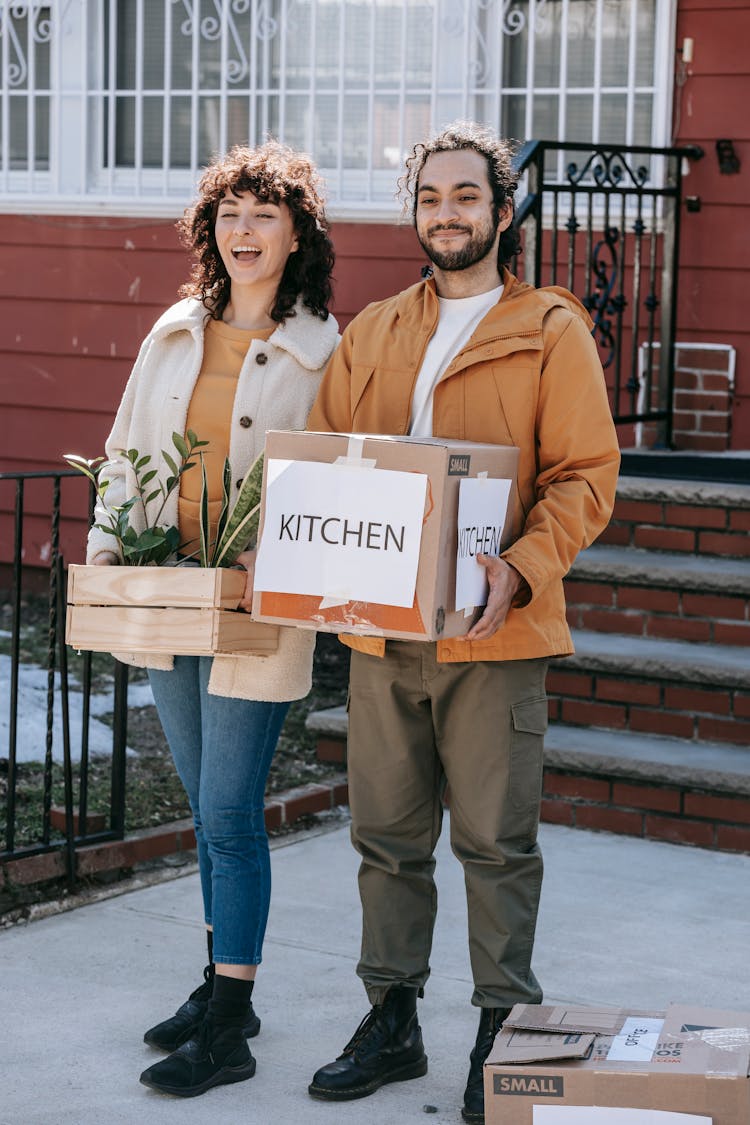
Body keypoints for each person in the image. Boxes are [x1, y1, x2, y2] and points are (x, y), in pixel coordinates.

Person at [305, 121, 620, 1123]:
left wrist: (521, 569)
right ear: (415, 214)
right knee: (386, 838)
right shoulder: (376, 329)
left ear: (501, 209)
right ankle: (391, 1017)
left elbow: (585, 478)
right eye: (430, 197)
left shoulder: (551, 328)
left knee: (495, 842)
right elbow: (322, 455)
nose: (446, 212)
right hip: (380, 633)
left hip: (495, 635)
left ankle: (503, 1027)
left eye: (464, 196)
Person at [85, 141, 338, 1098]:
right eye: (230, 213)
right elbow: (121, 447)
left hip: (259, 605)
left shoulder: (325, 348)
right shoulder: (174, 332)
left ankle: (229, 1025)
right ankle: (220, 978)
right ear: (211, 230)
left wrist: (274, 557)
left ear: (296, 233)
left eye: (265, 214)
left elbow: (337, 481)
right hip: (165, 592)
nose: (245, 231)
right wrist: (109, 542)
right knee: (204, 810)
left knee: (230, 812)